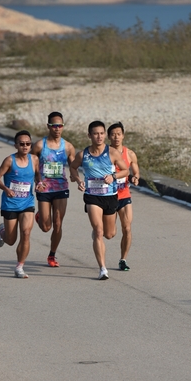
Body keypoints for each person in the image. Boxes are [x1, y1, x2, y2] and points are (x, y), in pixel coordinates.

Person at [70, 120, 129, 280]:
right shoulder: (83, 154)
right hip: (92, 196)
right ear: (89, 135)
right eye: (96, 133)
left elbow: (125, 170)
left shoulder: (112, 153)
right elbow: (73, 167)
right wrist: (78, 180)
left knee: (109, 234)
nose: (99, 136)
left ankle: (99, 233)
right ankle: (102, 268)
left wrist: (113, 176)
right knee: (99, 231)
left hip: (110, 196)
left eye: (102, 133)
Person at [0, 130, 44, 278]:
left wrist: (39, 183)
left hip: (27, 202)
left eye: (28, 144)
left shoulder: (34, 159)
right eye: (22, 144)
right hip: (10, 203)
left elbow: (37, 174)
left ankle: (20, 266)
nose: (25, 146)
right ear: (16, 145)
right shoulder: (9, 161)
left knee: (26, 233)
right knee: (10, 240)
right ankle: (2, 231)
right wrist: (5, 188)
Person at [32, 111, 75, 267]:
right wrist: (36, 180)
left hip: (61, 187)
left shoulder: (68, 146)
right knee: (45, 227)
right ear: (48, 126)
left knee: (58, 223)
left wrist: (77, 178)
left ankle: (52, 255)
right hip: (44, 188)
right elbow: (31, 163)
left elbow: (74, 166)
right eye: (54, 126)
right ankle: (40, 216)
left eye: (60, 125)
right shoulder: (39, 145)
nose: (57, 129)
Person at [107, 122, 140, 271]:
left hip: (124, 195)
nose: (116, 137)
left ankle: (123, 259)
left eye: (119, 134)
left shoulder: (130, 154)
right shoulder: (105, 154)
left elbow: (136, 171)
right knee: (110, 234)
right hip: (109, 196)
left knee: (127, 228)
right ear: (109, 137)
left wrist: (135, 178)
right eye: (113, 134)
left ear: (123, 135)